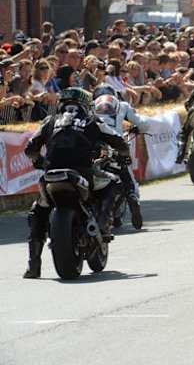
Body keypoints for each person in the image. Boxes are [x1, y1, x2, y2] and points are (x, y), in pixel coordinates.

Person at [22, 87, 131, 279]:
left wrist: (39, 161)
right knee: (114, 182)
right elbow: (119, 141)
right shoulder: (92, 120)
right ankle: (103, 223)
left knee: (38, 212)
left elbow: (30, 148)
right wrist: (123, 155)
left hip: (51, 175)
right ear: (85, 105)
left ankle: (33, 265)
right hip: (83, 172)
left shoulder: (49, 121)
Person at [93, 84, 150, 229]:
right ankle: (131, 196)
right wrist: (139, 128)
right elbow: (142, 123)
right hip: (116, 143)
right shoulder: (122, 105)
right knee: (125, 170)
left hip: (94, 147)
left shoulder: (89, 107)